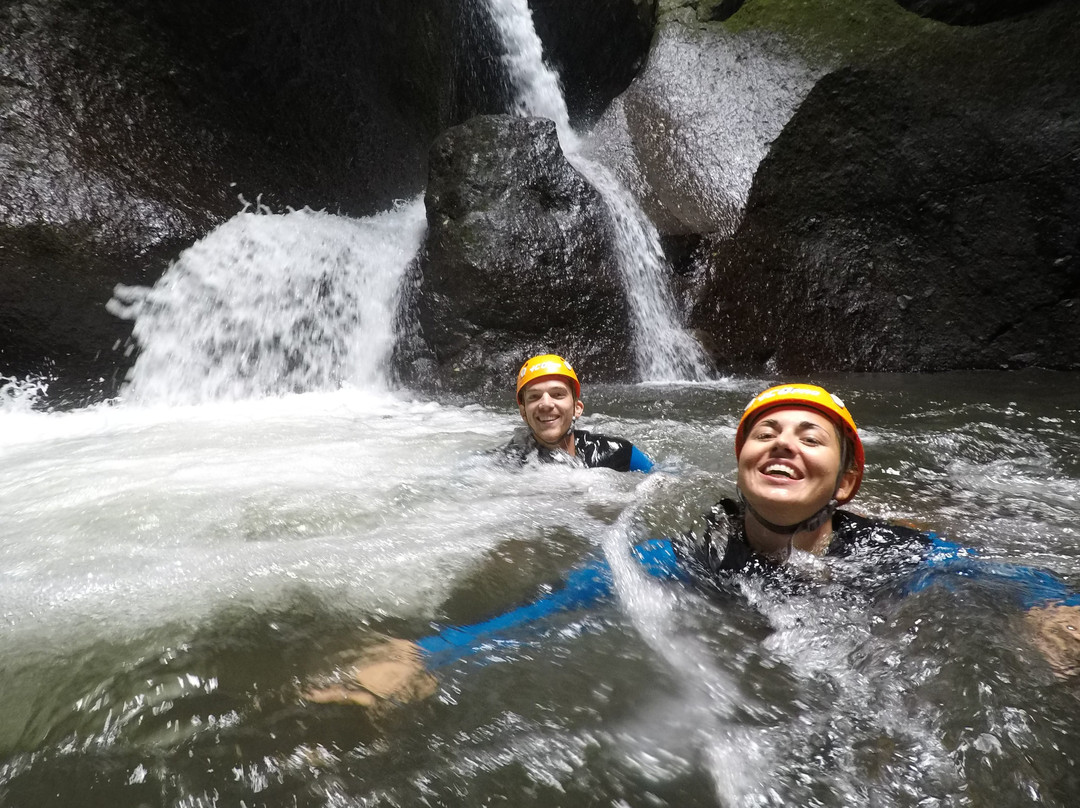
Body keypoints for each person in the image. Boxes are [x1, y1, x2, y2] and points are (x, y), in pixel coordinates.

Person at [302, 383, 1080, 705]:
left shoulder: (891, 552)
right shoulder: (686, 559)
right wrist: (432, 654)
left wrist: (1052, 607)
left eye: (810, 437)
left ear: (844, 483)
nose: (782, 443)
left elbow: (998, 575)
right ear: (740, 467)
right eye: (764, 433)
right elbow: (564, 607)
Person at [498, 353, 653, 472]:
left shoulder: (616, 452)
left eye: (557, 394)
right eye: (534, 397)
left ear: (577, 408)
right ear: (523, 412)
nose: (545, 404)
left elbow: (665, 479)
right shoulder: (508, 464)